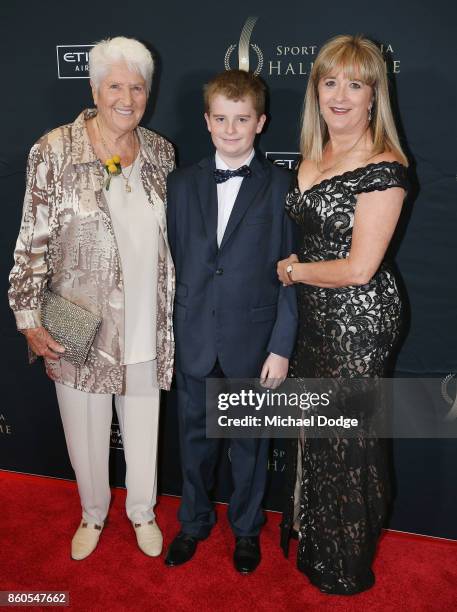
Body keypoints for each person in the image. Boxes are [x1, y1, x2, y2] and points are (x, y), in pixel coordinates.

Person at [8, 37, 175, 561]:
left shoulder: (161, 153)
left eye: (137, 86)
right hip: (78, 327)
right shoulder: (53, 150)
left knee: (144, 431)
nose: (127, 97)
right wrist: (29, 319)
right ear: (94, 89)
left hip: (148, 324)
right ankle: (92, 512)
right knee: (85, 433)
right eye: (115, 86)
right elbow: (30, 243)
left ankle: (143, 511)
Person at [277, 34, 408, 594]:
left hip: (359, 321)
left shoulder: (386, 166)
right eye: (330, 82)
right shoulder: (313, 155)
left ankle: (345, 562)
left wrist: (294, 272)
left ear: (374, 95)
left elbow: (358, 269)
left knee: (348, 440)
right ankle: (315, 538)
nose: (340, 95)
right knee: (317, 432)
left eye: (354, 84)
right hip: (312, 318)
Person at [165, 70, 297, 573]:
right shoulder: (180, 184)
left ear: (260, 123)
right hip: (194, 338)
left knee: (248, 448)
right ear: (206, 120)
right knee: (194, 445)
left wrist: (281, 345)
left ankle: (246, 531)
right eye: (221, 118)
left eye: (242, 119)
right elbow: (173, 262)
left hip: (253, 343)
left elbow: (291, 274)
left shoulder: (282, 186)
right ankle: (194, 523)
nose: (230, 128)